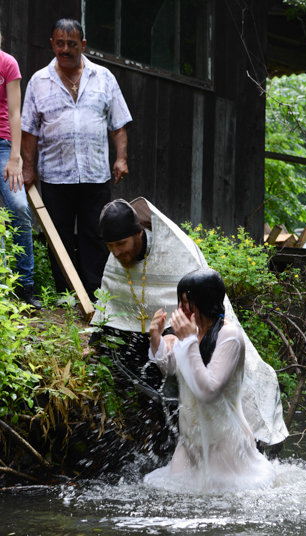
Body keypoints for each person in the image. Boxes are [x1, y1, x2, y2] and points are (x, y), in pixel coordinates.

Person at [92, 196, 288, 448]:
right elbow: (109, 305)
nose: (117, 252)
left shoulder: (176, 251)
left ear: (139, 233)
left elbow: (199, 317)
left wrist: (177, 336)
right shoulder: (116, 258)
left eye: (121, 243)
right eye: (110, 246)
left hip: (198, 339)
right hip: (157, 345)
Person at [21, 18, 132, 300]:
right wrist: (28, 167)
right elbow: (30, 132)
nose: (65, 49)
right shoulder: (38, 82)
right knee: (58, 237)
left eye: (72, 44)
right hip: (56, 175)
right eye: (60, 43)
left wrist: (121, 158)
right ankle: (66, 295)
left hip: (95, 174)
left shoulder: (104, 77)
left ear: (83, 45)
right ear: (52, 44)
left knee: (94, 234)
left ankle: (94, 293)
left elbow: (118, 125)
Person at [144, 268, 277, 492]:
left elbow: (208, 391)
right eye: (179, 302)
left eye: (186, 303)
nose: (179, 310)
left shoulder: (230, 336)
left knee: (220, 507)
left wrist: (186, 342)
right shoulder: (190, 333)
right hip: (191, 439)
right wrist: (156, 339)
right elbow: (171, 368)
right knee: (168, 494)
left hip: (224, 442)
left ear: (204, 303)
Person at [0, 32, 41, 309]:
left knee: (18, 206)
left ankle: (25, 284)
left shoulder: (8, 64)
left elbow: (16, 113)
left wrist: (16, 158)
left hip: (4, 147)